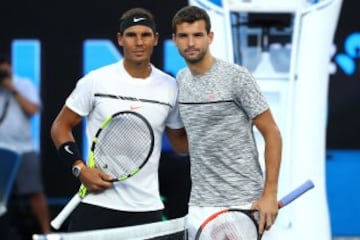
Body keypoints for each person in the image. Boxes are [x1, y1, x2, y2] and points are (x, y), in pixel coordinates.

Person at [50, 7, 187, 232]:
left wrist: (218, 129)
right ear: (120, 39)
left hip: (146, 210)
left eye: (145, 35)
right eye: (132, 35)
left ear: (155, 39)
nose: (139, 42)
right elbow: (60, 127)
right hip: (97, 205)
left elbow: (180, 145)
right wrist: (79, 169)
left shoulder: (170, 88)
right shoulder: (95, 81)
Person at [172, 6, 282, 239]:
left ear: (210, 37)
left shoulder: (236, 77)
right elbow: (183, 145)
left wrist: (270, 193)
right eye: (184, 36)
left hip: (243, 202)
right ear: (175, 40)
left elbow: (272, 133)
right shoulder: (180, 81)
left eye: (198, 35)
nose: (191, 42)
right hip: (200, 205)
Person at [0, 55, 51, 234]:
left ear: (9, 67)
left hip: (24, 148)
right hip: (1, 148)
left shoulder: (23, 84)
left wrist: (12, 90)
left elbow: (32, 110)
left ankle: (47, 231)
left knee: (34, 191)